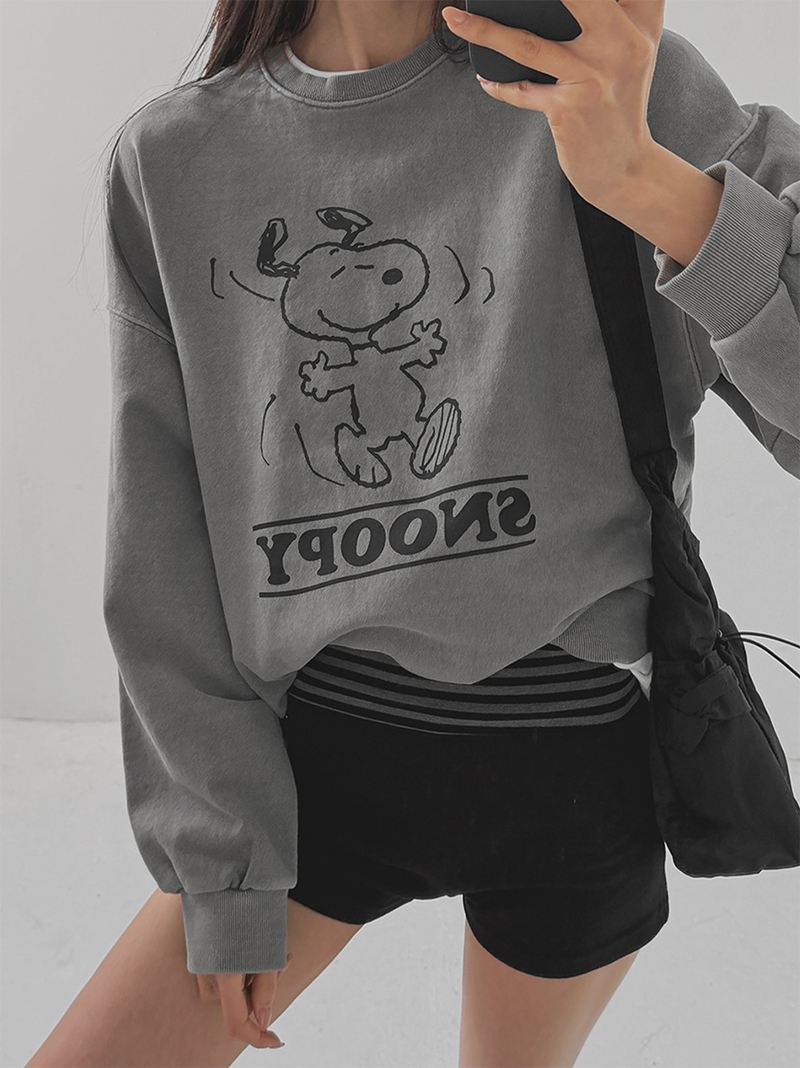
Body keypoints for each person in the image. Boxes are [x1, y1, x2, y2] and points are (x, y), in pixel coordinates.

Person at [25, 0, 800, 1063]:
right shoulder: (173, 159)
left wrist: (644, 180)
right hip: (321, 773)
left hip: (585, 770)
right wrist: (224, 867)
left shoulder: (618, 79)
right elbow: (163, 558)